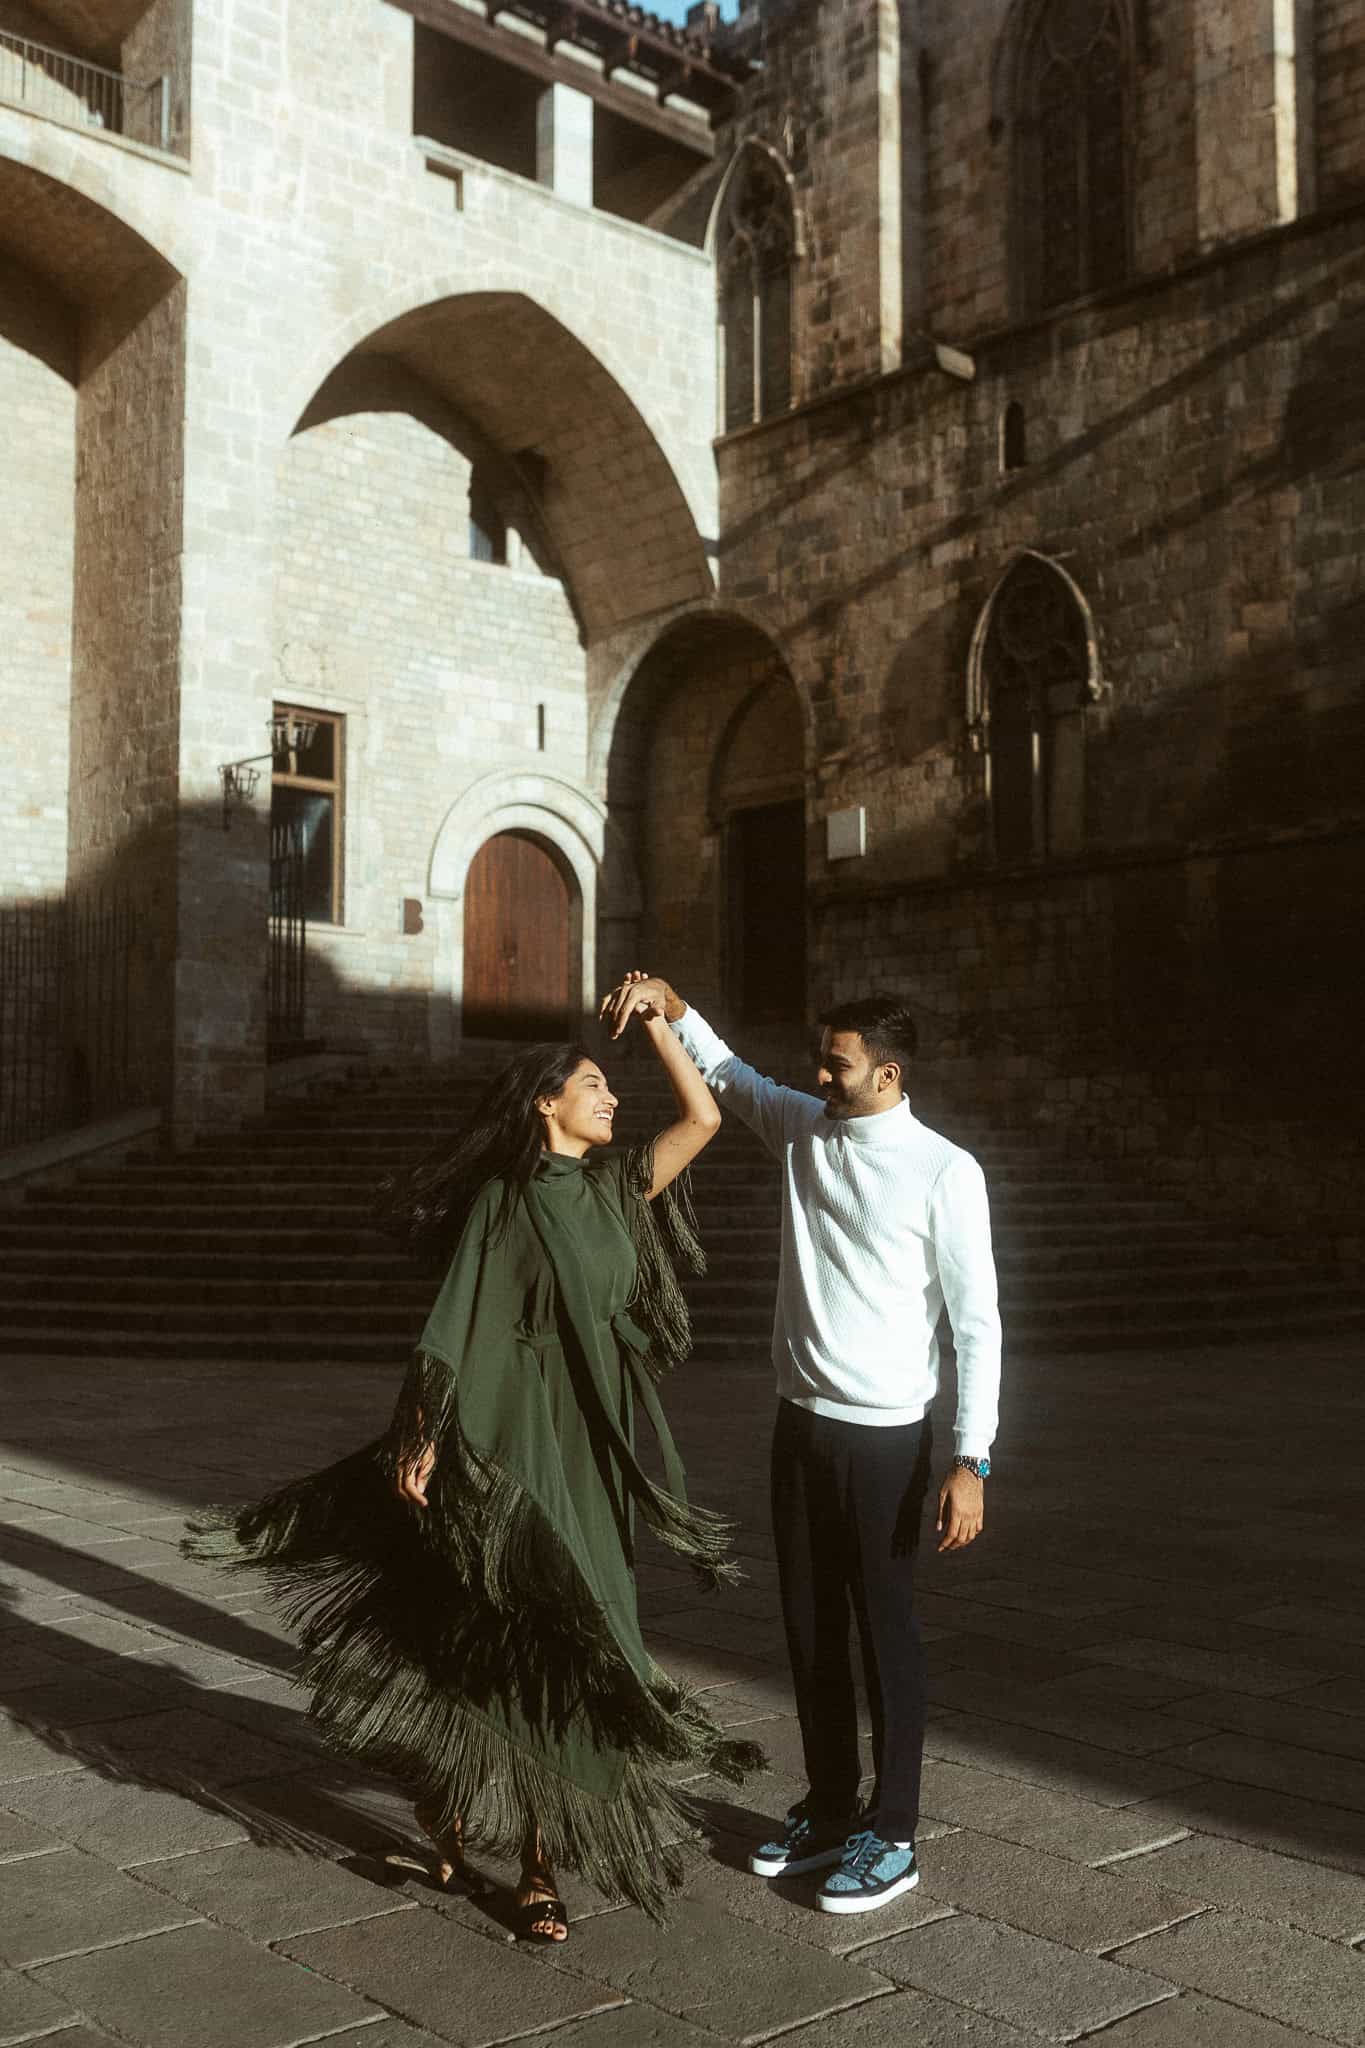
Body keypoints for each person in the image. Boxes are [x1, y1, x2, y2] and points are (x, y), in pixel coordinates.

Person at [186, 996, 763, 1939]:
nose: (610, 1098)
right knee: (518, 1626)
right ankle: (521, 1860)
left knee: (584, 1637)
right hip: (514, 1433)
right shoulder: (505, 1198)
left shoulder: (620, 1184)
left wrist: (663, 1019)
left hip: (593, 1439)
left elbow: (703, 1118)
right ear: (544, 1104)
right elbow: (456, 1318)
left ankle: (517, 1839)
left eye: (608, 1084)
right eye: (591, 1085)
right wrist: (422, 1434)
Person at [601, 973, 1001, 1916]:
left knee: (884, 1634)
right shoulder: (805, 1129)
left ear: (888, 1074)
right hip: (800, 1428)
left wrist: (970, 1459)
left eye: (838, 1062)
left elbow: (977, 1325)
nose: (820, 1072)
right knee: (810, 1629)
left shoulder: (945, 1170)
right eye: (821, 1057)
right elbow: (730, 1076)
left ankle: (893, 1832)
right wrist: (669, 1004)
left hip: (890, 1443)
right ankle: (828, 1808)